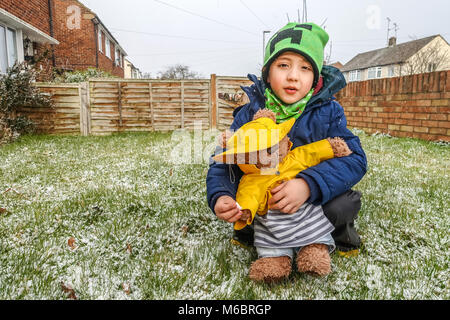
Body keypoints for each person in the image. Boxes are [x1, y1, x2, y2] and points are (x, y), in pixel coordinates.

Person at [206, 22, 367, 257]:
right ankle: (250, 231)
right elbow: (224, 160)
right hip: (266, 197)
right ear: (267, 74)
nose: (293, 76)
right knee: (245, 197)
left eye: (305, 68)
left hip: (309, 199)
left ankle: (336, 236)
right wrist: (221, 195)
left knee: (342, 204)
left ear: (315, 79)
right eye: (283, 65)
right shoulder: (250, 114)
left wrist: (308, 184)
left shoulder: (329, 111)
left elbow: (355, 159)